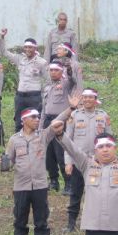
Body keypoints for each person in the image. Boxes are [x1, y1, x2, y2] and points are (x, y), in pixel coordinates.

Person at [1, 108, 55, 235]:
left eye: (38, 117)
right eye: (33, 117)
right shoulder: (14, 140)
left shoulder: (42, 136)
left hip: (39, 186)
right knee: (20, 220)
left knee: (41, 220)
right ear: (24, 120)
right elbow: (9, 160)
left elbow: (56, 123)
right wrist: (5, 163)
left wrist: (71, 108)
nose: (37, 119)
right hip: (21, 187)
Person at [62, 89, 111, 232]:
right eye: (85, 97)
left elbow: (110, 139)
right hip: (79, 162)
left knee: (98, 192)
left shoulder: (103, 116)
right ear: (82, 99)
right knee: (76, 193)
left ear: (96, 99)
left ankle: (98, 222)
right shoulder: (74, 115)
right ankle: (71, 223)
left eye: (91, 97)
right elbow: (67, 141)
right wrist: (68, 162)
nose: (88, 100)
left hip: (97, 162)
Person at [0, 30, 47, 131]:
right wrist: (2, 38)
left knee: (35, 122)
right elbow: (4, 52)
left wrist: (45, 96)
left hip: (34, 97)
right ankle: (18, 143)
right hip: (20, 97)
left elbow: (48, 80)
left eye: (30, 47)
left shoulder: (42, 62)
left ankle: (35, 144)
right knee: (19, 122)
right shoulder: (20, 59)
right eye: (26, 47)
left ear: (35, 48)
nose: (28, 49)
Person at [41, 61, 77, 193]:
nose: (53, 72)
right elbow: (44, 108)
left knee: (61, 152)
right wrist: (41, 127)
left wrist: (68, 65)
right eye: (51, 70)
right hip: (47, 120)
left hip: (61, 120)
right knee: (48, 154)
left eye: (56, 70)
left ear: (61, 71)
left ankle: (68, 183)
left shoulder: (66, 83)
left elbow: (74, 79)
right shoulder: (47, 86)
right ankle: (53, 181)